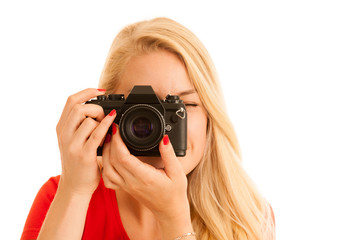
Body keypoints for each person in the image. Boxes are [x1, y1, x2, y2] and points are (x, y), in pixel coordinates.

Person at [21, 17, 275, 240]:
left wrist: (174, 220)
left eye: (184, 104)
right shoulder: (60, 196)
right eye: (142, 109)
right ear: (107, 112)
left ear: (210, 114)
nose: (160, 128)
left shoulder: (246, 215)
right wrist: (74, 192)